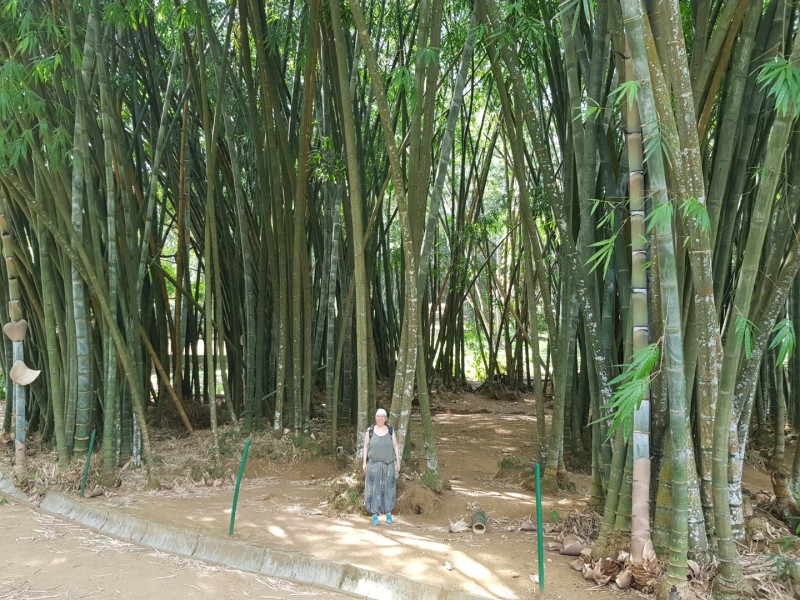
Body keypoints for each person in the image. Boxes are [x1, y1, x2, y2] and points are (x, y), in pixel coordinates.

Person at [362, 408, 401, 525]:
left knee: (389, 488)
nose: (380, 418)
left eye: (382, 416)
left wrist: (398, 462)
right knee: (373, 489)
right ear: (375, 417)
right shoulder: (370, 431)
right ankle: (374, 514)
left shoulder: (390, 430)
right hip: (373, 464)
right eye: (378, 416)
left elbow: (395, 446)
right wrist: (364, 462)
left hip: (388, 465)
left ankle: (388, 513)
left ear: (386, 418)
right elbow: (365, 446)